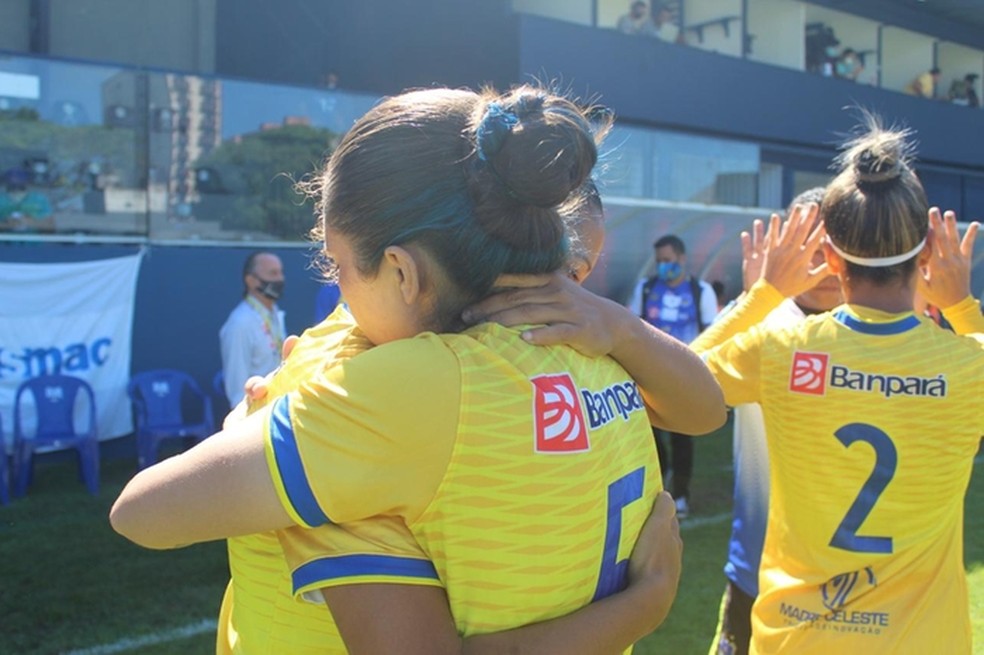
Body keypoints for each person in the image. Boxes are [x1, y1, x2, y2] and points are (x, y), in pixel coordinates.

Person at [111, 85, 726, 653]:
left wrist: (255, 417)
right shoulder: (593, 342)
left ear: (404, 272)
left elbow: (142, 514)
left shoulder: (401, 392)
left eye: (337, 266)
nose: (339, 291)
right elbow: (703, 408)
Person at [691, 120, 983, 653]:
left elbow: (671, 384)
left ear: (829, 257)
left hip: (796, 638)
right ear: (926, 255)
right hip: (922, 641)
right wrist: (962, 307)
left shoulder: (780, 348)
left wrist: (761, 294)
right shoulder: (970, 365)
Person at [702, 187, 844, 655]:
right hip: (754, 571)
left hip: (849, 582)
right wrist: (754, 299)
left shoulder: (875, 328)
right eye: (806, 245)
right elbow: (675, 386)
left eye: (832, 243)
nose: (821, 260)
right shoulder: (755, 319)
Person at [627, 234, 719, 517]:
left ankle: (680, 495)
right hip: (648, 375)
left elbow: (713, 332)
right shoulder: (646, 288)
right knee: (651, 438)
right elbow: (631, 327)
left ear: (682, 258)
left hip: (684, 376)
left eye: (668, 260)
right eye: (659, 262)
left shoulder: (700, 291)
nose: (663, 266)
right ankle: (657, 492)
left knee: (682, 438)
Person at [219, 251, 286, 406]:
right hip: (256, 416)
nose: (280, 279)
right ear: (251, 280)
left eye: (281, 273)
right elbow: (237, 389)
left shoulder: (275, 314)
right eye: (273, 273)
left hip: (276, 408)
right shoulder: (240, 324)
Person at [0, 167, 54, 232]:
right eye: (12, 184)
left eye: (20, 184)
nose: (16, 187)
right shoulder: (2, 199)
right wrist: (6, 224)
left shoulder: (39, 199)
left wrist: (30, 222)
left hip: (33, 240)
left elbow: (51, 226)